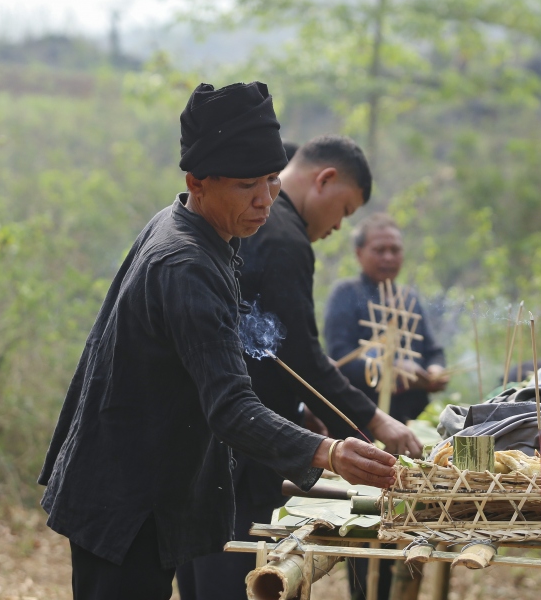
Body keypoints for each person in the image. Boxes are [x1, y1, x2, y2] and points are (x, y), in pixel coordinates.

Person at [37, 82, 396, 600]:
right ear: (197, 182)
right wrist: (330, 453)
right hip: (124, 497)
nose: (264, 201)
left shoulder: (201, 231)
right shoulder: (185, 262)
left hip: (148, 485)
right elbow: (230, 407)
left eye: (272, 182)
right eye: (246, 185)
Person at [176, 134, 421, 600]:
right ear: (324, 180)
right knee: (228, 577)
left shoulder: (251, 230)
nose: (335, 228)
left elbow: (270, 350)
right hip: (242, 445)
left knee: (202, 572)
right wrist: (375, 421)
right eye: (344, 211)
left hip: (207, 434)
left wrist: (302, 408)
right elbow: (300, 356)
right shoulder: (283, 236)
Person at [324, 213, 448, 600]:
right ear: (360, 253)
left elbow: (432, 349)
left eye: (395, 249)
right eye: (380, 249)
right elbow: (337, 358)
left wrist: (433, 368)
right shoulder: (346, 295)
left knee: (411, 514)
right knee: (367, 517)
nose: (389, 257)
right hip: (362, 425)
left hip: (409, 426)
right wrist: (389, 365)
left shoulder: (407, 298)